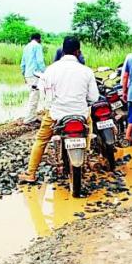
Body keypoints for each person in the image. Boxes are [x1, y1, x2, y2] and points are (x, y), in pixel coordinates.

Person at [19, 36, 99, 183]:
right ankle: (86, 155)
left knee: (42, 139)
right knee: (89, 128)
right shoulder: (86, 71)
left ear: (62, 51)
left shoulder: (51, 70)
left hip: (56, 115)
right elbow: (94, 97)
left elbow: (45, 94)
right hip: (80, 114)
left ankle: (31, 173)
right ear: (78, 52)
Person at [21, 33, 46, 124]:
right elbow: (40, 61)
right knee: (34, 96)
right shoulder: (37, 46)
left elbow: (23, 63)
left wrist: (24, 74)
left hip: (28, 74)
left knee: (33, 95)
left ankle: (32, 117)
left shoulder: (26, 47)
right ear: (39, 39)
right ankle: (29, 119)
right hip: (35, 74)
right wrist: (45, 72)